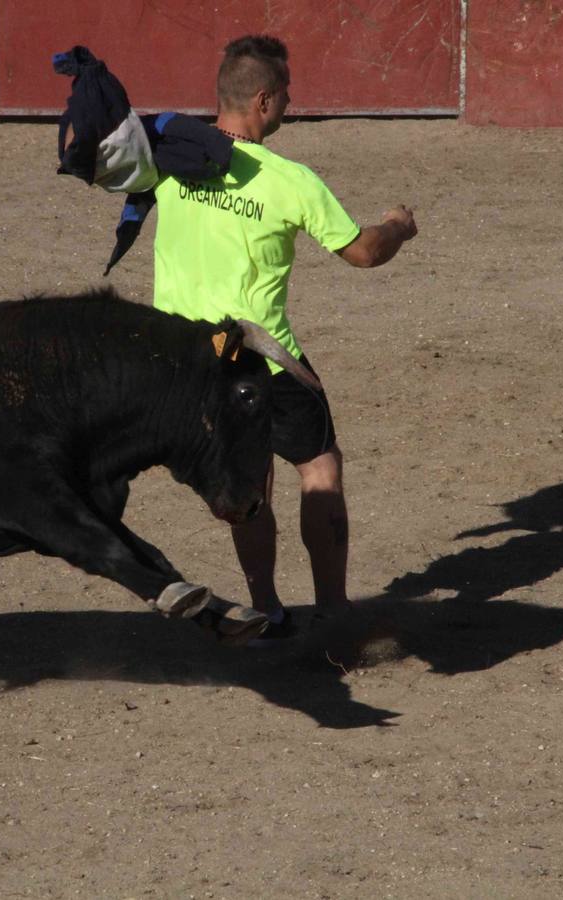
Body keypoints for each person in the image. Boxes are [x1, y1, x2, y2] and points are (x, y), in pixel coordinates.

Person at [151, 34, 418, 641]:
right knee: (319, 465)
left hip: (184, 362)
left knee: (250, 482)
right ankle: (331, 608)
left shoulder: (170, 158)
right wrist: (398, 226)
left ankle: (267, 607)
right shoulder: (289, 179)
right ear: (265, 101)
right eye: (287, 97)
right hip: (255, 354)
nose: (290, 108)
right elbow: (364, 253)